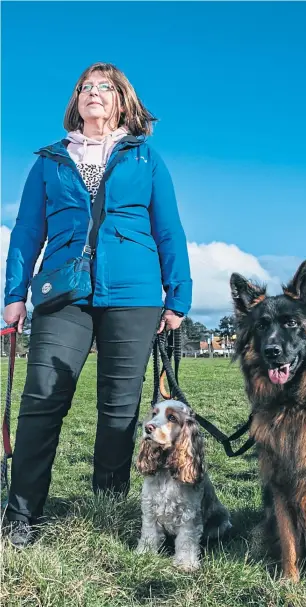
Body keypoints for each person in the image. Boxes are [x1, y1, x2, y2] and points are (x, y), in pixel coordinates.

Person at [2, 62, 192, 547]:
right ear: (77, 101)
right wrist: (14, 296)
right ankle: (21, 516)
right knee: (42, 399)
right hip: (63, 293)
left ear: (121, 100)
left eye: (104, 87)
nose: (93, 93)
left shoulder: (145, 159)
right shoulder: (49, 160)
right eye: (85, 87)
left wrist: (178, 296)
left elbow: (169, 229)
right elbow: (26, 231)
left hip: (134, 294)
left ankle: (106, 511)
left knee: (119, 410)